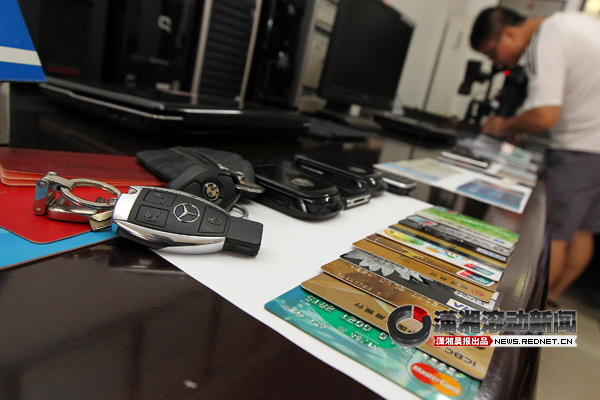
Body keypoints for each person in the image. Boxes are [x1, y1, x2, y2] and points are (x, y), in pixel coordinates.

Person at [469, 7, 600, 306]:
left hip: (580, 151)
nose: (497, 62)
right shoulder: (576, 23)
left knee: (553, 236)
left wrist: (502, 125)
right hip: (595, 150)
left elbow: (543, 116)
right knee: (582, 231)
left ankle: (522, 319)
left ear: (509, 33)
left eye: (492, 53)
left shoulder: (549, 34)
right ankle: (550, 298)